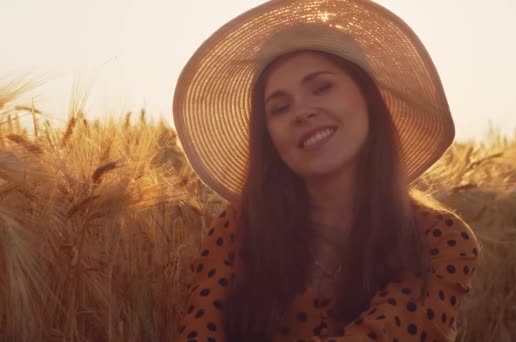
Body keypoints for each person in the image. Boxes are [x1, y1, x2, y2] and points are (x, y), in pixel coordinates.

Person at [171, 1, 481, 341]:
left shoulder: (439, 240)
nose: (301, 112)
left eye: (321, 87)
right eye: (279, 107)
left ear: (370, 99)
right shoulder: (240, 229)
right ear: (269, 137)